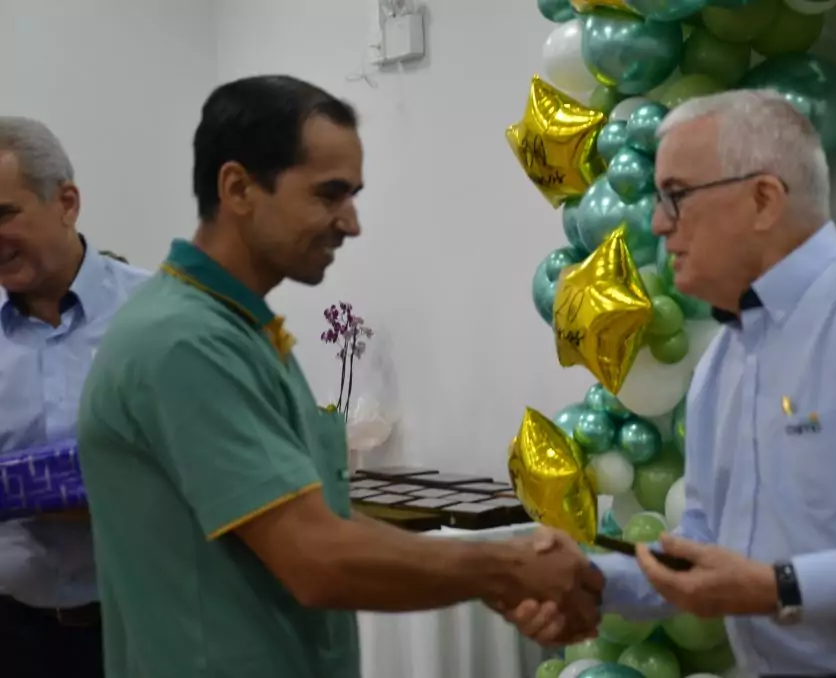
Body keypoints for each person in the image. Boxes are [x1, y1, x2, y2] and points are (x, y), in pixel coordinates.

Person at [75, 75, 602, 678]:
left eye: (351, 195)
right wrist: (505, 569)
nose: (350, 224)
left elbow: (321, 518)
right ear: (238, 187)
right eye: (328, 195)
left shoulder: (239, 329)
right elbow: (316, 559)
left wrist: (492, 571)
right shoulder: (184, 343)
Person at [510, 90, 836, 677]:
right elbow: (703, 553)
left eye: (675, 196)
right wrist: (590, 580)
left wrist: (778, 587)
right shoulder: (721, 363)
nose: (657, 223)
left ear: (762, 199)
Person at [0, 117, 149, 678]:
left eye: (3, 215)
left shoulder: (159, 315)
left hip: (139, 627)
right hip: (11, 635)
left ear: (66, 202)